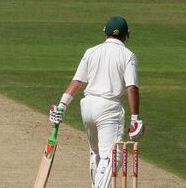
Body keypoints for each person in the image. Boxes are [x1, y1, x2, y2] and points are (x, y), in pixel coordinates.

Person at [48, 16, 145, 188]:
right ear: (126, 35)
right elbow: (132, 87)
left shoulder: (91, 51)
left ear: (104, 33)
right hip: (109, 108)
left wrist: (61, 106)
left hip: (87, 106)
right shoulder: (128, 55)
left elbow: (77, 81)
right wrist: (135, 119)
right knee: (114, 156)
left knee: (97, 152)